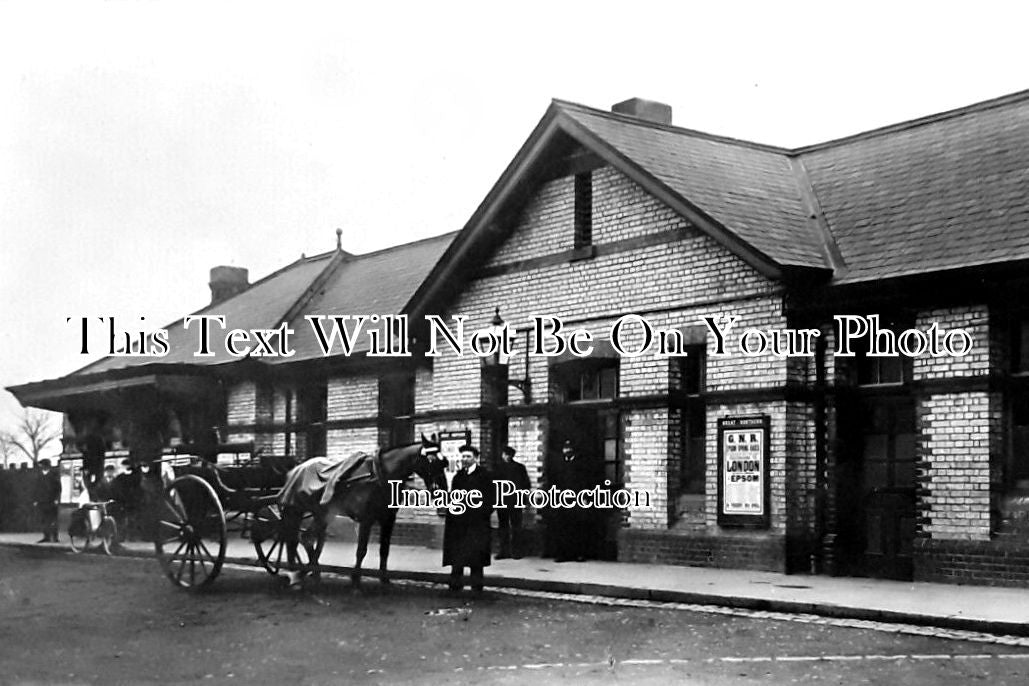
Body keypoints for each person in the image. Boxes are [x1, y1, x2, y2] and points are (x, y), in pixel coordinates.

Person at [442, 445, 494, 593]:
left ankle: (476, 586)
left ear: (476, 458)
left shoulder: (485, 476)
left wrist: (482, 513)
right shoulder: (459, 476)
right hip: (459, 524)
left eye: (468, 456)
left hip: (477, 523)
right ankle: (455, 584)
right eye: (463, 456)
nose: (464, 459)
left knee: (476, 555)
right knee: (457, 554)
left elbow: (491, 498)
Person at [547, 440, 600, 562]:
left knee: (578, 527)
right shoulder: (559, 465)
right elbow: (554, 482)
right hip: (563, 500)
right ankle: (563, 554)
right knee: (563, 527)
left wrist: (586, 497)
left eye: (569, 449)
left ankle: (579, 553)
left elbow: (588, 482)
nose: (566, 451)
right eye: (565, 449)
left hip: (578, 499)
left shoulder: (582, 464)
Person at [493, 445, 530, 559]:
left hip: (511, 501)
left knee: (513, 527)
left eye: (508, 454)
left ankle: (513, 551)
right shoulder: (500, 468)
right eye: (506, 454)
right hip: (506, 501)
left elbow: (525, 485)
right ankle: (507, 551)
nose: (506, 457)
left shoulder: (517, 468)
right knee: (507, 526)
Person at [32, 459, 61, 543]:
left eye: (43, 465)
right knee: (44, 519)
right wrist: (36, 500)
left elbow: (58, 488)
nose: (42, 467)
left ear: (47, 465)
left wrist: (56, 499)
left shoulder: (53, 475)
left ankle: (55, 537)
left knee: (53, 519)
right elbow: (36, 489)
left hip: (51, 501)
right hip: (42, 501)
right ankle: (46, 537)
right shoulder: (39, 476)